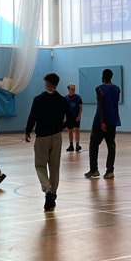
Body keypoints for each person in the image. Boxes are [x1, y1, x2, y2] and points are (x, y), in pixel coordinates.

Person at [25, 73, 71, 210]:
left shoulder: (38, 99)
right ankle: (53, 193)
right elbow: (71, 116)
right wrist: (63, 126)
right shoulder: (62, 100)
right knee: (54, 166)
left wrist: (28, 131)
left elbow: (32, 117)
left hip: (42, 137)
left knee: (40, 165)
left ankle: (47, 191)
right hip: (56, 136)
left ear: (46, 83)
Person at [85, 69, 121, 180]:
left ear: (103, 77)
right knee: (111, 145)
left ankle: (94, 169)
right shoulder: (117, 89)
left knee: (93, 144)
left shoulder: (99, 88)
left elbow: (101, 106)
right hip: (113, 120)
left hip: (100, 122)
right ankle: (110, 171)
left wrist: (102, 122)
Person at [65, 83, 83, 152]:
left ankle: (77, 144)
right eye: (72, 89)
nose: (73, 90)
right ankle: (71, 145)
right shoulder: (65, 98)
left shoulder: (78, 97)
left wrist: (79, 116)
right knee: (70, 130)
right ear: (69, 89)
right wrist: (63, 118)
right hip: (69, 117)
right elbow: (63, 109)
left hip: (76, 116)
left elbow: (80, 108)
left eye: (74, 89)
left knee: (77, 129)